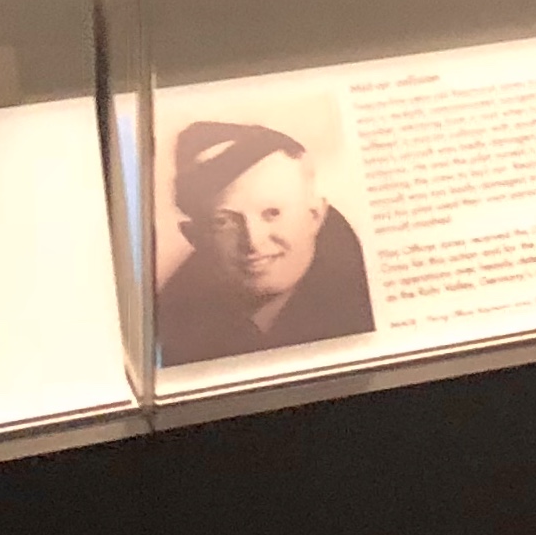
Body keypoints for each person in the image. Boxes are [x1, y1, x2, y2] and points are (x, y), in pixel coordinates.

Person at [154, 121, 378, 365]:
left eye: (272, 213)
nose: (254, 242)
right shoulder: (177, 322)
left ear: (315, 216)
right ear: (194, 236)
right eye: (224, 222)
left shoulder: (364, 300)